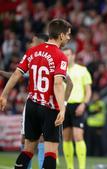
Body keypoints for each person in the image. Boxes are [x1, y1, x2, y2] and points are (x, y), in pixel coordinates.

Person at [0, 18, 72, 169]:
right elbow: (58, 84)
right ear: (60, 35)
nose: (69, 38)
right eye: (68, 34)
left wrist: (4, 95)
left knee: (27, 149)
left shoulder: (32, 51)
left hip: (32, 105)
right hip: (50, 107)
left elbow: (15, 75)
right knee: (51, 151)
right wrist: (63, 108)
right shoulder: (60, 56)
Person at [62, 47, 92, 169]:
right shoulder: (60, 71)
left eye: (68, 55)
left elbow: (88, 91)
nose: (66, 58)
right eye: (64, 55)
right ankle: (70, 167)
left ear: (73, 55)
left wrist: (84, 104)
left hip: (78, 105)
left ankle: (82, 167)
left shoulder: (83, 70)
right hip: (64, 105)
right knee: (66, 137)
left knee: (78, 136)